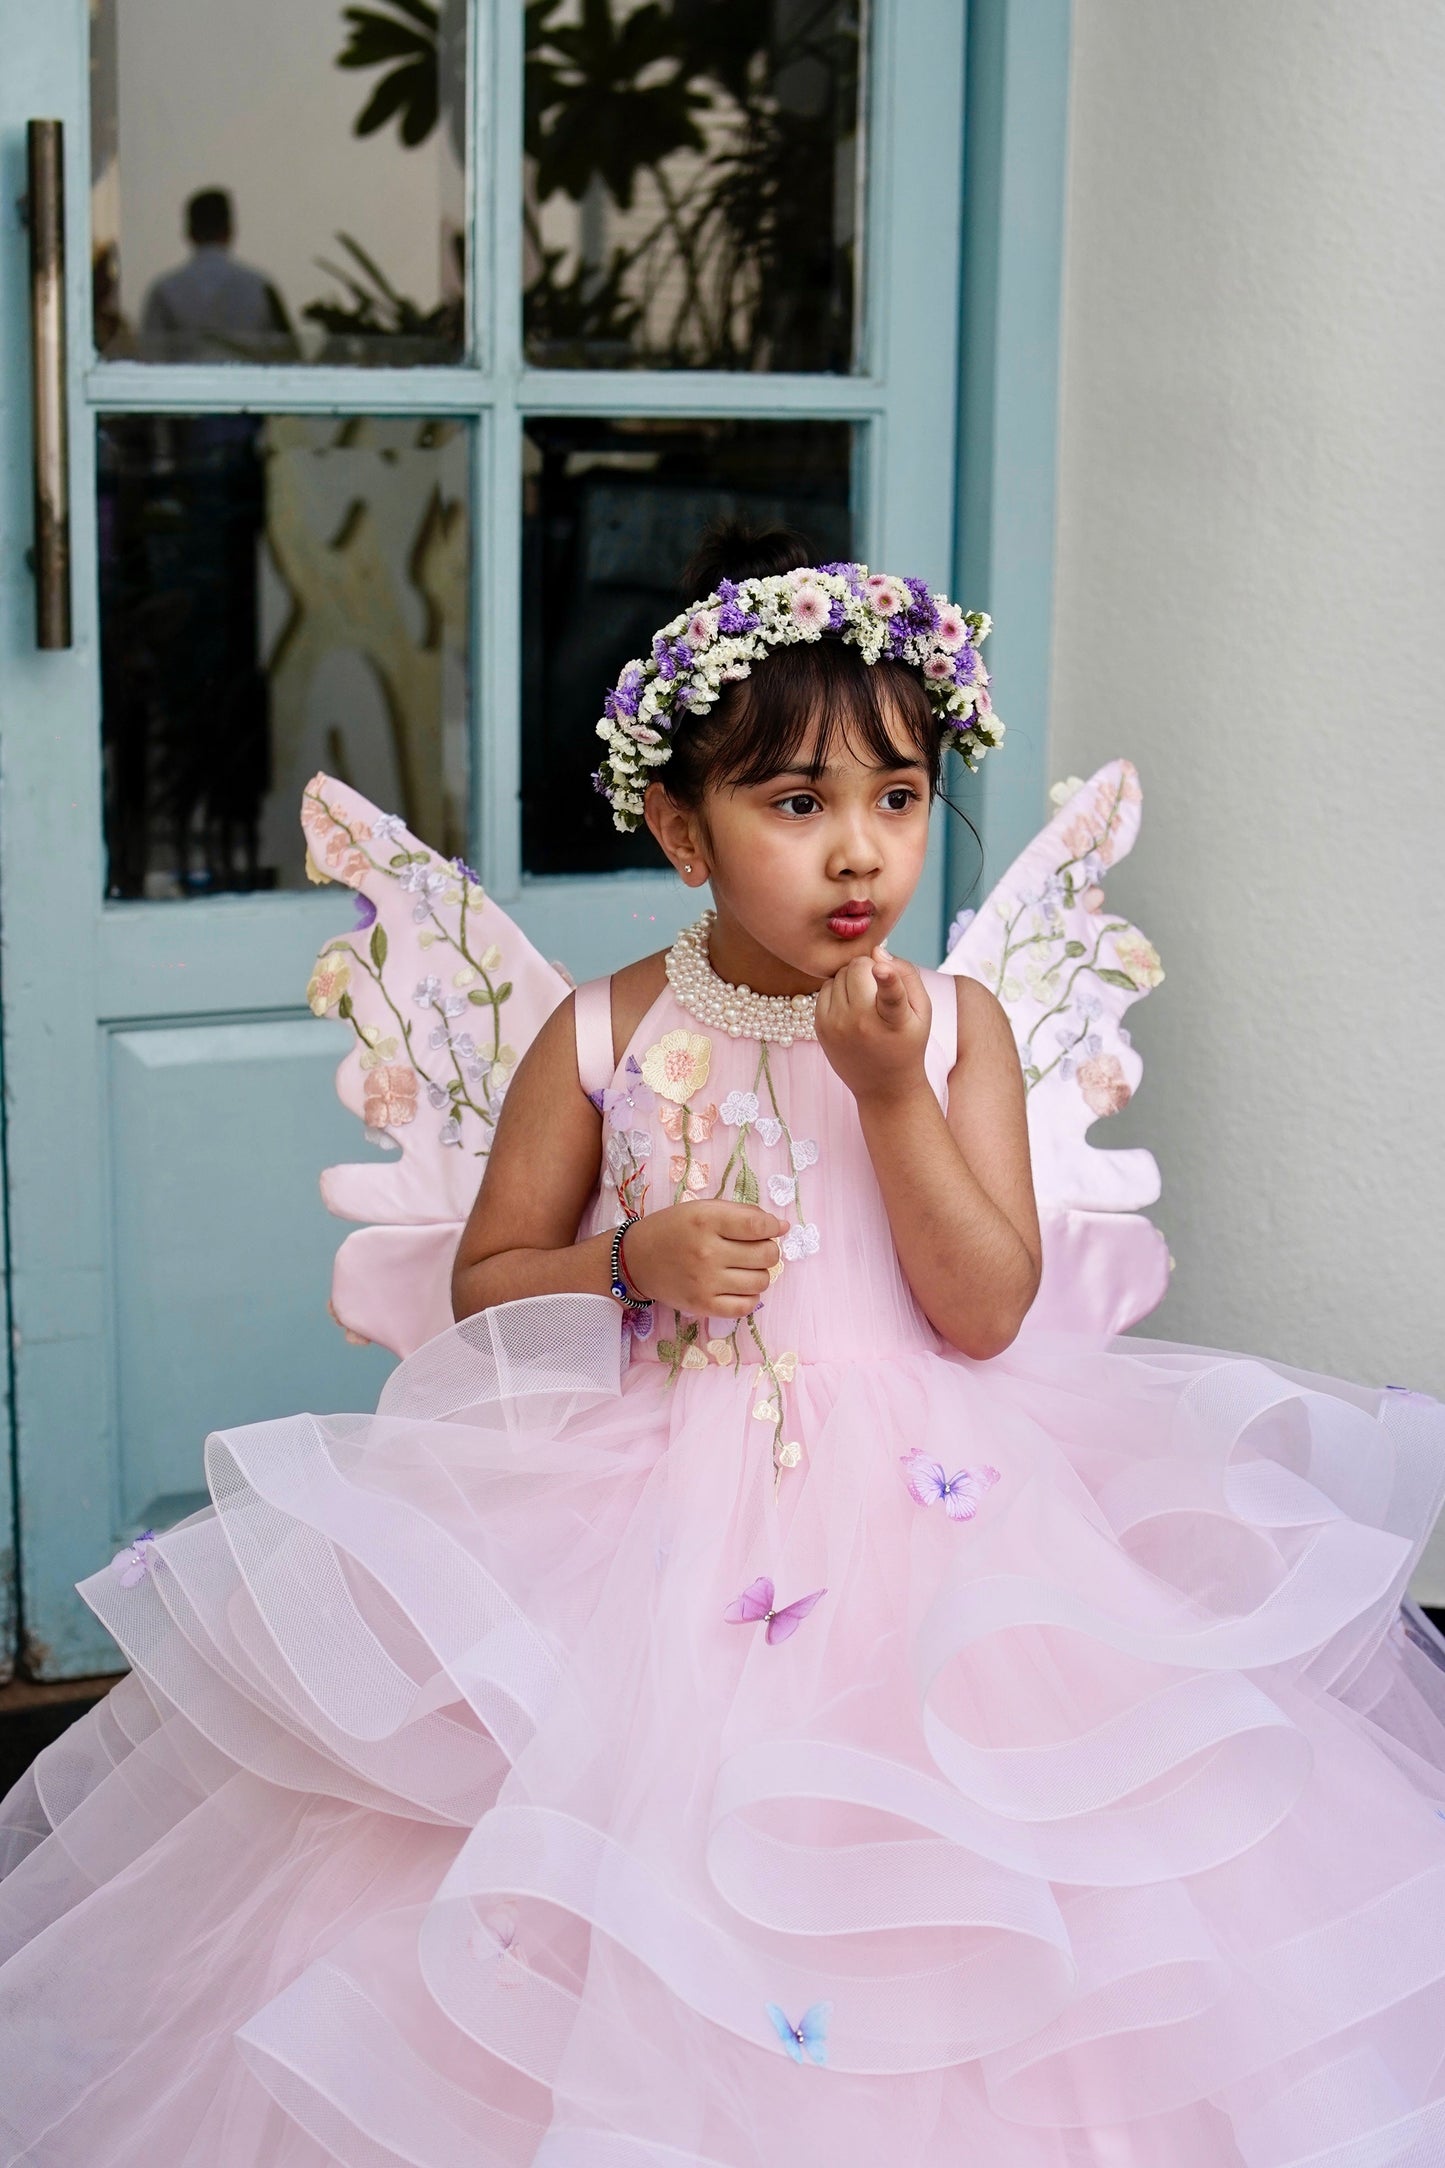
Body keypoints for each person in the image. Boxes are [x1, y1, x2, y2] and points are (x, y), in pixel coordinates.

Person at [2, 521, 1445, 2166]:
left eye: (897, 798)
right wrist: (634, 1256)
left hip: (952, 1511)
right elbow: (486, 1280)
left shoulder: (952, 1031)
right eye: (797, 802)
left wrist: (892, 1093)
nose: (859, 853)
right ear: (684, 826)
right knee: (622, 1855)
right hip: (649, 1512)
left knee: (980, 1852)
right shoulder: (606, 1026)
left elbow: (983, 1307)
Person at [139, 187, 294, 362]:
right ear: (230, 230)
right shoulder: (261, 287)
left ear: (189, 233)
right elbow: (287, 355)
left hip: (187, 387)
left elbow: (151, 357)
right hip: (247, 385)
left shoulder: (164, 290)